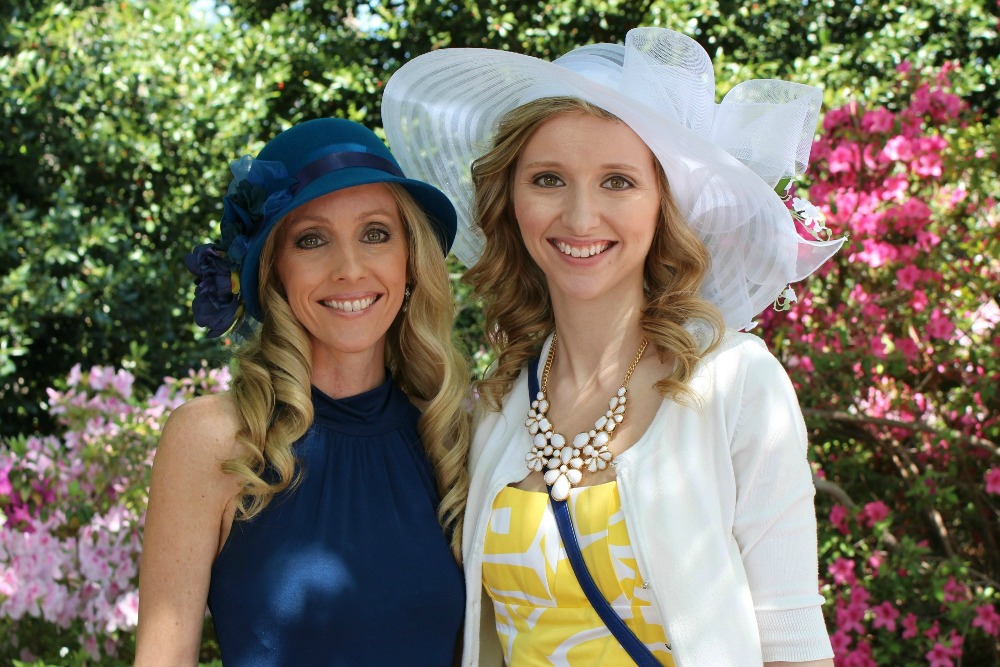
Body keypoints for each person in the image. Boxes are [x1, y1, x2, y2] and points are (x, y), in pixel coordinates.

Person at [382, 28, 845, 667]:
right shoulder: (498, 402)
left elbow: (794, 649)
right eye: (548, 179)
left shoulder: (737, 382)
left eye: (618, 182)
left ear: (665, 206)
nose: (579, 217)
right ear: (510, 200)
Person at [134, 118, 469, 666]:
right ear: (274, 270)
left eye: (376, 234)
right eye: (312, 240)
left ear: (410, 261)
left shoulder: (451, 443)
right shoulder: (215, 440)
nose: (350, 269)